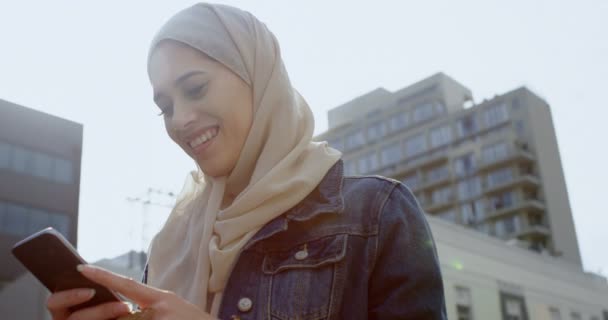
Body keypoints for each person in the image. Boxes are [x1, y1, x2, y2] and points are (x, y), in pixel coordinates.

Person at [46, 3, 447, 320]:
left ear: (257, 77)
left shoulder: (376, 215)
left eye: (196, 88)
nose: (180, 119)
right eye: (165, 107)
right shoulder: (173, 242)